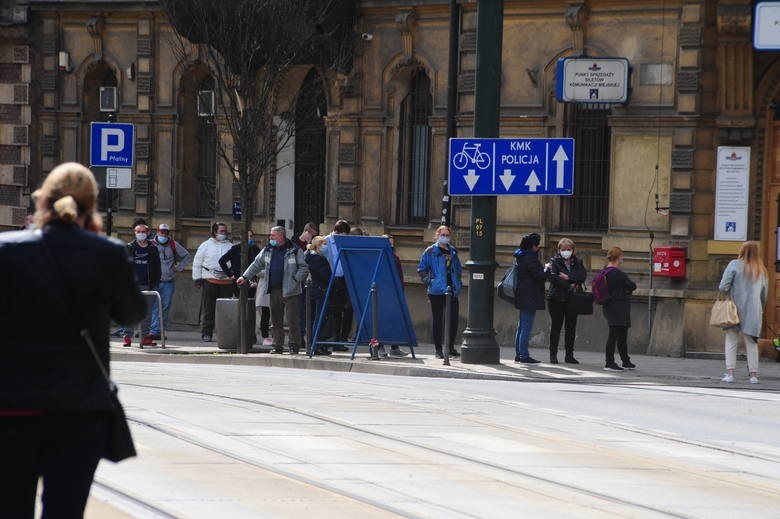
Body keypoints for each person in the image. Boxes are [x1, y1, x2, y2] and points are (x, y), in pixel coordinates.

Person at [0, 162, 145, 519]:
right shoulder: (107, 253)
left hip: (12, 407)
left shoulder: (6, 249)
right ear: (90, 205)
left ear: (42, 202)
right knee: (65, 511)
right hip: (79, 411)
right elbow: (133, 313)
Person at [237, 226, 309, 354]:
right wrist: (245, 277)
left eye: (273, 236)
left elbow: (303, 268)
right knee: (275, 320)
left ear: (281, 236)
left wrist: (295, 280)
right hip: (274, 289)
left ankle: (294, 345)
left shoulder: (294, 250)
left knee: (293, 320)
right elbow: (256, 264)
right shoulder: (268, 250)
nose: (270, 238)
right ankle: (277, 345)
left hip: (291, 290)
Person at [718, 241, 768, 384]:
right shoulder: (761, 269)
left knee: (731, 340)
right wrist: (760, 309)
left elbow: (723, 286)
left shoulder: (734, 264)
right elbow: (764, 294)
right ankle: (753, 375)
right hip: (753, 310)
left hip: (734, 308)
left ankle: (730, 373)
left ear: (742, 250)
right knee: (751, 343)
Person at [417, 225, 462, 359]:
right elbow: (421, 269)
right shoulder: (430, 251)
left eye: (447, 235)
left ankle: (450, 347)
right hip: (436, 291)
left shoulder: (452, 251)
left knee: (453, 320)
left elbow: (458, 268)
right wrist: (430, 281)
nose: (445, 237)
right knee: (438, 320)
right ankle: (438, 350)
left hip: (452, 289)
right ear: (437, 235)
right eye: (443, 234)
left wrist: (458, 282)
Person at [546, 238, 587, 364]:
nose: (566, 252)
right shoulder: (554, 262)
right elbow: (553, 278)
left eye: (569, 249)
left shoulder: (578, 262)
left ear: (573, 250)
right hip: (556, 298)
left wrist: (568, 277)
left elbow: (582, 277)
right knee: (556, 327)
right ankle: (553, 355)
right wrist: (570, 284)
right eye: (563, 249)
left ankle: (569, 355)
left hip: (572, 299)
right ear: (559, 250)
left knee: (571, 328)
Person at [121, 222, 161, 347]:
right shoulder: (129, 247)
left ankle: (144, 337)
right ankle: (127, 336)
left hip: (148, 285)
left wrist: (155, 283)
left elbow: (157, 268)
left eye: (143, 232)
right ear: (134, 233)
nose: (141, 234)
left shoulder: (152, 248)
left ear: (148, 233)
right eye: (138, 232)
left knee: (147, 313)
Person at [192, 222, 234, 342]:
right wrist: (197, 278)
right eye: (221, 231)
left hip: (227, 282)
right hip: (210, 280)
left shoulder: (231, 246)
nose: (224, 233)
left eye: (225, 231)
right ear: (215, 232)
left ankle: (224, 334)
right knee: (208, 309)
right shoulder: (205, 245)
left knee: (226, 311)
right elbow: (197, 262)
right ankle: (207, 333)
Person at [219, 229, 261, 345]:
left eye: (252, 236)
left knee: (250, 307)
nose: (250, 238)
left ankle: (250, 334)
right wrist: (230, 275)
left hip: (251, 281)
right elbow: (222, 261)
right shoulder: (236, 248)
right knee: (241, 306)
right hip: (238, 281)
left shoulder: (255, 249)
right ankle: (241, 333)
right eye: (248, 236)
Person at [149, 223, 190, 340]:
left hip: (168, 281)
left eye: (166, 232)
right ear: (157, 232)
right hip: (154, 281)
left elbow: (187, 255)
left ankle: (158, 331)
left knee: (165, 306)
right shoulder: (151, 244)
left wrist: (179, 268)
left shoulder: (173, 244)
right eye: (161, 232)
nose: (163, 234)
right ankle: (151, 330)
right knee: (154, 307)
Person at [513, 233, 549, 364]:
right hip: (530, 295)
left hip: (523, 293)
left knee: (521, 326)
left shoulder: (521, 256)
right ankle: (523, 355)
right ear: (533, 246)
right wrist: (547, 269)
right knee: (526, 327)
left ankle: (519, 354)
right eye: (538, 244)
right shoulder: (530, 258)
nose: (539, 247)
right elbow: (539, 276)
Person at [601, 246, 637, 371]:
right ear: (618, 257)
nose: (622, 258)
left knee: (621, 335)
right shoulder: (618, 273)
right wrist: (626, 289)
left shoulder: (605, 271)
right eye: (621, 256)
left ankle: (625, 361)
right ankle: (609, 362)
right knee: (615, 335)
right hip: (619, 308)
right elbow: (632, 286)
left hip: (609, 306)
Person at [324, 219, 353, 349]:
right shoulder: (326, 241)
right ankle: (331, 339)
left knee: (343, 310)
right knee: (333, 311)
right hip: (331, 279)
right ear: (339, 232)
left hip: (343, 279)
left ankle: (339, 340)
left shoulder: (344, 241)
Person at [305, 235, 333, 355]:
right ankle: (315, 345)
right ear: (318, 246)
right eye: (324, 244)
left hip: (315, 290)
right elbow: (325, 276)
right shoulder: (317, 259)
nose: (326, 247)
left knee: (317, 318)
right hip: (320, 290)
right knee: (319, 318)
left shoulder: (311, 257)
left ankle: (315, 345)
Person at [383, 234, 409, 357]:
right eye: (389, 243)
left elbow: (400, 277)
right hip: (381, 294)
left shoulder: (395, 258)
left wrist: (400, 292)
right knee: (380, 321)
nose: (391, 245)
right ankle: (379, 346)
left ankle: (394, 347)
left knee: (394, 321)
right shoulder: (378, 257)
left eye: (392, 243)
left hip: (393, 295)